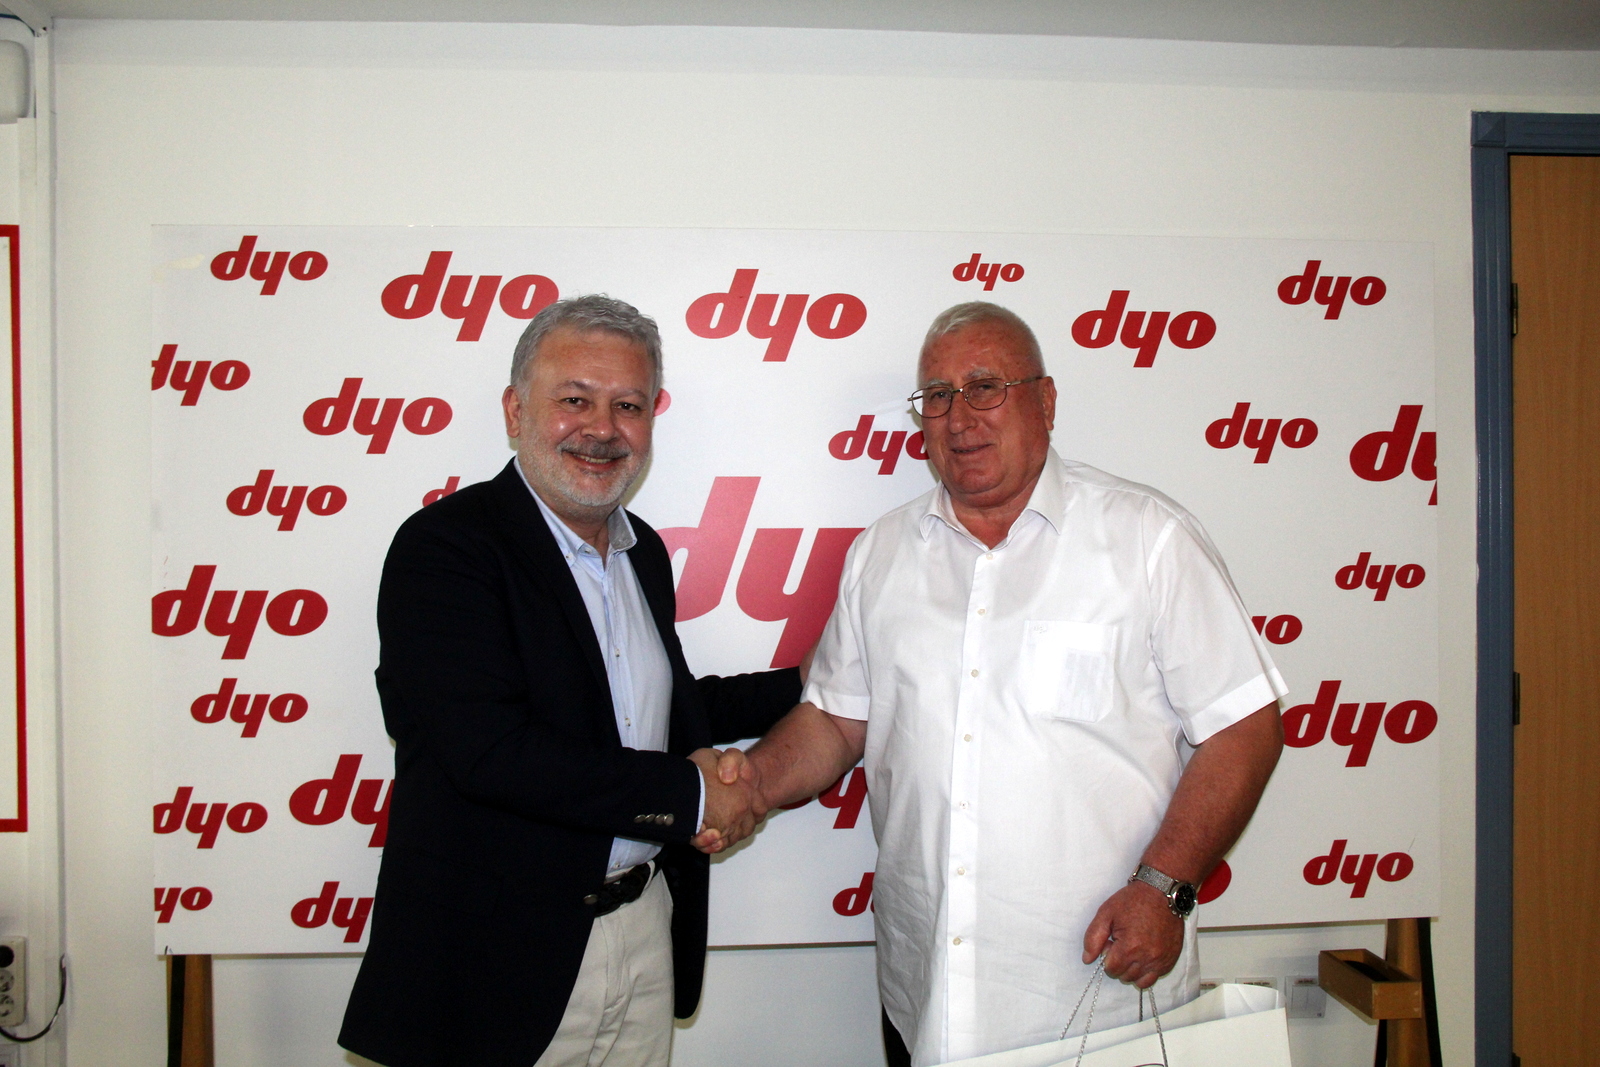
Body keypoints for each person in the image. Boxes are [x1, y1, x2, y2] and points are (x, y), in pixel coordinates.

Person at [710, 302, 1287, 1067]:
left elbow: (1245, 726)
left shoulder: (1149, 538)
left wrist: (1164, 885)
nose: (959, 418)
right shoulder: (882, 553)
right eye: (937, 396)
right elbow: (836, 721)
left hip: (1098, 993)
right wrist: (748, 784)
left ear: (1045, 401)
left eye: (985, 387)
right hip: (927, 993)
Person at [339, 295, 793, 1067]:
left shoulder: (643, 553)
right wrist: (692, 795)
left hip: (642, 932)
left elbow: (668, 709)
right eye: (575, 400)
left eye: (628, 405)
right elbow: (490, 751)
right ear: (516, 410)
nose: (602, 428)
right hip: (493, 961)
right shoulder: (444, 549)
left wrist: (820, 678)